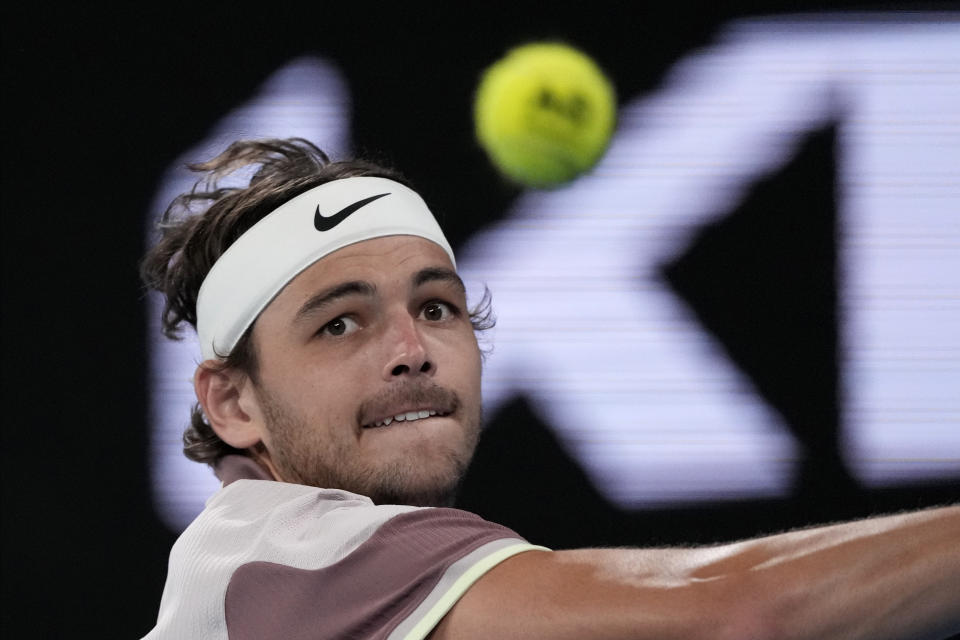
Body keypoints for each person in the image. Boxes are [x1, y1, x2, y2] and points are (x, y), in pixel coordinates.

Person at [141, 138, 959, 640]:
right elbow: (736, 614)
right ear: (232, 403)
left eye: (437, 307)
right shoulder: (296, 553)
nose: (411, 350)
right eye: (339, 325)